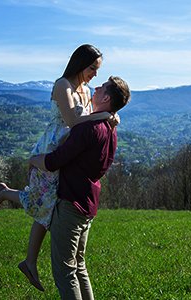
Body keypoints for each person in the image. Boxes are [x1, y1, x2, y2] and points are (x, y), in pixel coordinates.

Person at [0, 44, 119, 291]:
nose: (95, 74)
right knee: (44, 203)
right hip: (51, 150)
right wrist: (104, 115)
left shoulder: (86, 89)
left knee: (48, 205)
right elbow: (73, 121)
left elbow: (85, 126)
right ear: (80, 63)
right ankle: (4, 194)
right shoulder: (62, 86)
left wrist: (107, 116)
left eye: (97, 69)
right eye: (92, 68)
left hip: (68, 154)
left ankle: (29, 261)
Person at [28, 76, 131, 299]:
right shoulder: (109, 129)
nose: (95, 86)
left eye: (101, 87)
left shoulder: (88, 128)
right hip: (88, 204)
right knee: (79, 266)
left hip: (70, 204)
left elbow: (54, 161)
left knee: (65, 272)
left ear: (105, 97)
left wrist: (33, 159)